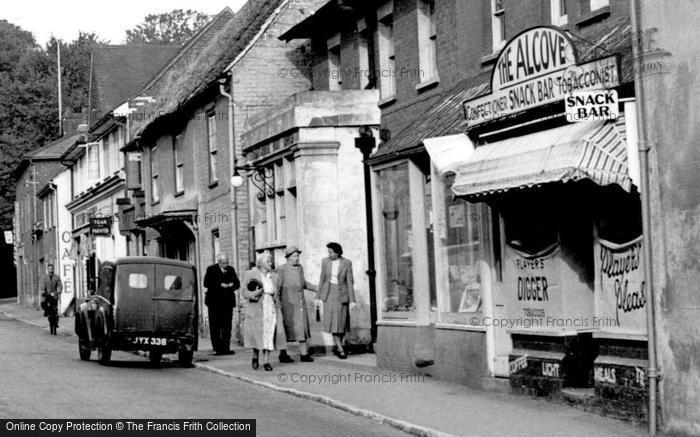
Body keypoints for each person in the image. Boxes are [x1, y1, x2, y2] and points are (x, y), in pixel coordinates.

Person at [277, 246, 318, 363]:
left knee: (302, 329)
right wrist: (278, 304)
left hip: (300, 304)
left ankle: (304, 354)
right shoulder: (282, 269)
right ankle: (283, 354)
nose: (297, 258)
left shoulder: (300, 268)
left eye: (298, 256)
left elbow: (304, 283)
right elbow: (277, 287)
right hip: (287, 306)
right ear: (288, 258)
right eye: (295, 256)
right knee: (285, 330)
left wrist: (317, 288)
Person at [317, 242, 356, 359]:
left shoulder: (347, 263)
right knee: (334, 323)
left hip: (342, 295)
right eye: (328, 252)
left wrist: (352, 300)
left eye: (331, 252)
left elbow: (350, 281)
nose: (329, 254)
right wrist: (318, 296)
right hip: (329, 295)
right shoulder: (325, 262)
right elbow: (322, 279)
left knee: (341, 323)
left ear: (337, 252)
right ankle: (340, 348)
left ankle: (340, 345)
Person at [243, 253, 280, 371]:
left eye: (271, 262)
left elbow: (277, 293)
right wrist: (255, 294)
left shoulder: (274, 276)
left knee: (269, 334)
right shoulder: (251, 274)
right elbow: (244, 292)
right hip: (256, 307)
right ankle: (255, 355)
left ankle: (266, 361)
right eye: (268, 262)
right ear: (261, 263)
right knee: (257, 334)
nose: (271, 264)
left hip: (270, 308)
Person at [203, 253, 240, 355]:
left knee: (227, 326)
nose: (226, 265)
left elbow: (237, 283)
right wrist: (219, 285)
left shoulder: (231, 270)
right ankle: (217, 348)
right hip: (214, 302)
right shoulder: (211, 269)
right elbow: (206, 283)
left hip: (227, 303)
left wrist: (232, 285)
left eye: (227, 262)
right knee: (215, 326)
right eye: (223, 263)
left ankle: (226, 348)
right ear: (219, 262)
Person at [41, 264, 62, 335]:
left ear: (53, 269)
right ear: (47, 269)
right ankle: (47, 312)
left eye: (52, 268)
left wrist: (59, 291)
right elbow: (43, 286)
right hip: (47, 295)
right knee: (43, 304)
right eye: (49, 268)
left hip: (54, 295)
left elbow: (60, 285)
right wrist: (43, 291)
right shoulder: (45, 277)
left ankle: (56, 322)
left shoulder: (57, 277)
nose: (51, 270)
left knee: (55, 310)